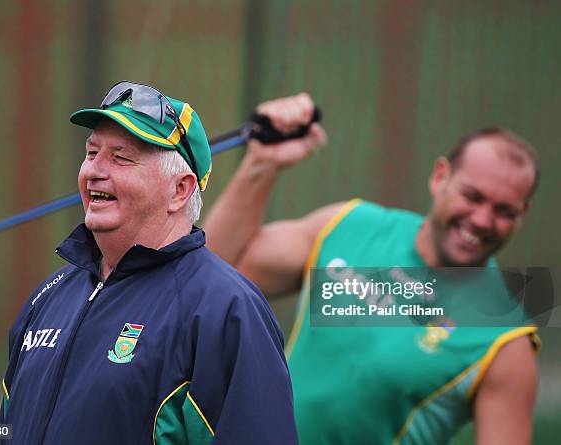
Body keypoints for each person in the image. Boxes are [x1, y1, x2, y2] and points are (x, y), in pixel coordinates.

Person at [204, 93, 540, 444]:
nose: (483, 220)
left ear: (523, 214)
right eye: (472, 196)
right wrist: (262, 164)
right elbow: (218, 270)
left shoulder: (505, 342)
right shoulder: (349, 225)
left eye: (505, 211)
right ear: (441, 176)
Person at [0, 81, 299, 445]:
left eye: (121, 157)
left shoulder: (226, 309)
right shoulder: (47, 297)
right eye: (91, 153)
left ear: (180, 190)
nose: (94, 171)